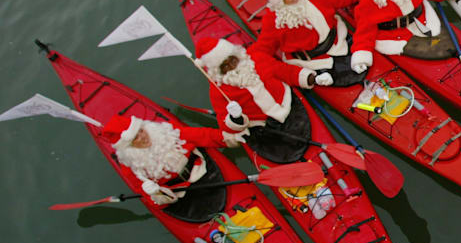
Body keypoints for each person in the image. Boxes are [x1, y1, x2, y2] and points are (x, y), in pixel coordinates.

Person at [195, 37, 316, 163]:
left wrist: (310, 78)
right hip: (262, 126)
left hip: (288, 104)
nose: (232, 66)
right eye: (225, 66)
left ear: (237, 55)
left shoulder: (257, 58)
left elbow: (285, 71)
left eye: (232, 60)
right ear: (218, 71)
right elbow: (224, 124)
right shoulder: (217, 92)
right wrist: (235, 118)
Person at [251, 0, 369, 85]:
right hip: (314, 61)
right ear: (279, 1)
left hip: (338, 40)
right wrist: (301, 76)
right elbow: (260, 54)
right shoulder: (273, 22)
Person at [103, 114, 245, 206]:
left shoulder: (166, 132)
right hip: (178, 193)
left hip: (201, 169)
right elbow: (145, 193)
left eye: (140, 130)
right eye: (135, 138)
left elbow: (201, 135)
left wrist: (233, 138)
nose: (143, 137)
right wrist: (155, 193)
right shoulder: (131, 165)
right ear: (128, 146)